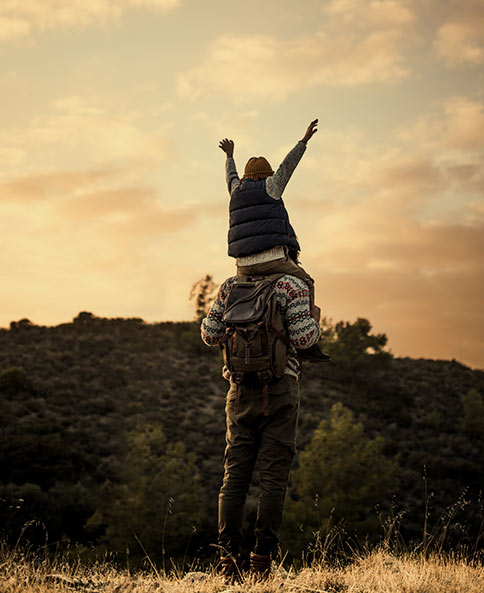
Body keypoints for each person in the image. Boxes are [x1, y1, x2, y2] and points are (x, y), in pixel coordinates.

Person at [200, 271, 321, 582]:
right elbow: (305, 339)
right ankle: (261, 562)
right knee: (273, 479)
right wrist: (314, 322)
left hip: (238, 392)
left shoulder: (230, 286)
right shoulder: (291, 285)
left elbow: (210, 335)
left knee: (234, 478)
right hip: (280, 390)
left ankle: (228, 562)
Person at [218, 119, 330, 363]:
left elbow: (231, 175)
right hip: (274, 260)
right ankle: (306, 340)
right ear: (266, 175)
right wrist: (304, 141)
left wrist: (229, 156)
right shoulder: (271, 186)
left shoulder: (236, 190)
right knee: (306, 282)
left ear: (247, 177)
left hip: (243, 265)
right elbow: (288, 166)